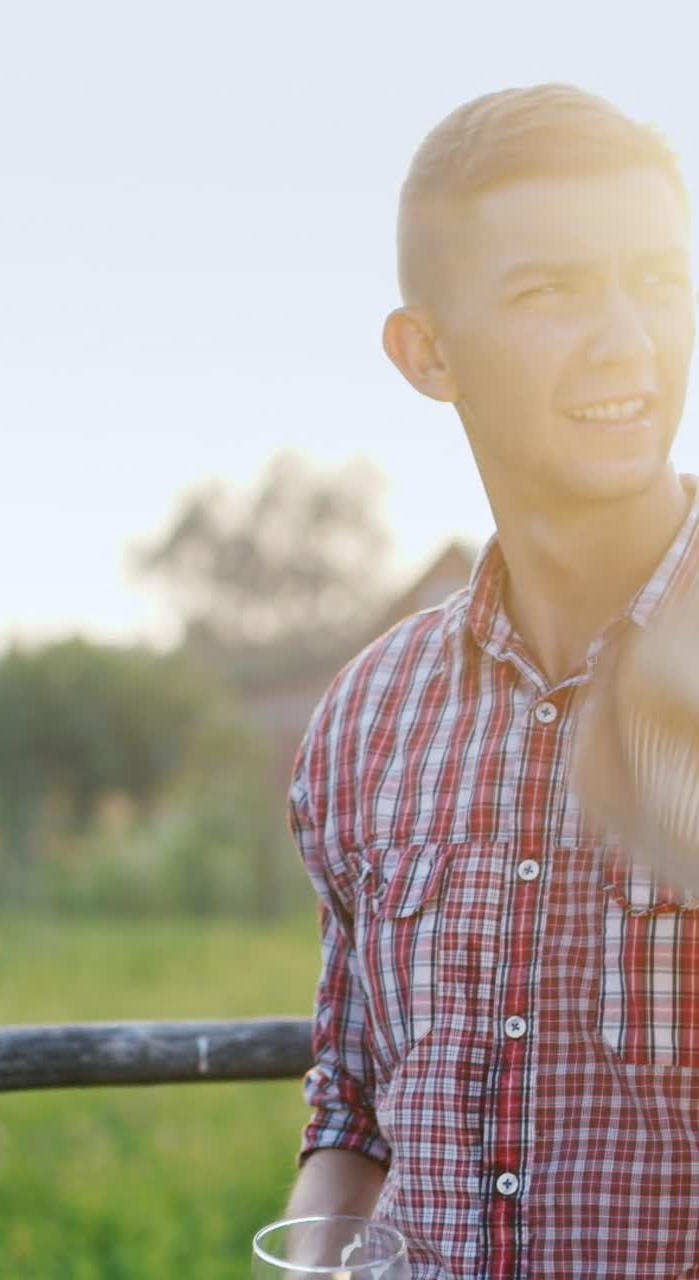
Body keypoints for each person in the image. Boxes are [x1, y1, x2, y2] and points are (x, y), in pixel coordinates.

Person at [279, 83, 699, 1278]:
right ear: (427, 354)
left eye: (655, 277)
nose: (625, 337)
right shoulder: (368, 716)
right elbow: (353, 1107)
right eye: (547, 289)